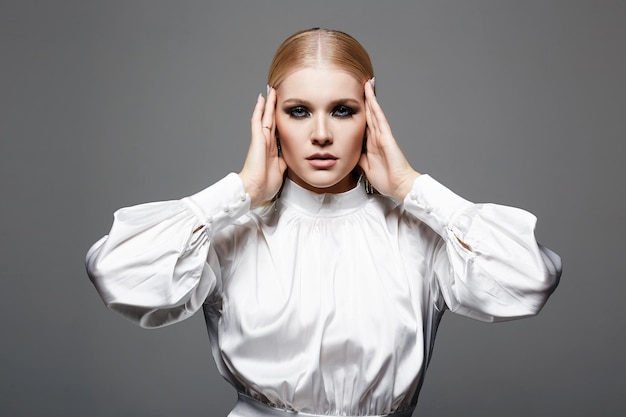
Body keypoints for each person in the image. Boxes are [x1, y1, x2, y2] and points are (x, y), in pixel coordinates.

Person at [86, 28, 561, 417]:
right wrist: (241, 192)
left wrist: (413, 188)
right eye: (298, 111)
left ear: (371, 118)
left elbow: (528, 280)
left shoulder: (421, 233)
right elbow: (118, 274)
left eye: (342, 110)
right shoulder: (229, 232)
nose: (320, 134)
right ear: (271, 119)